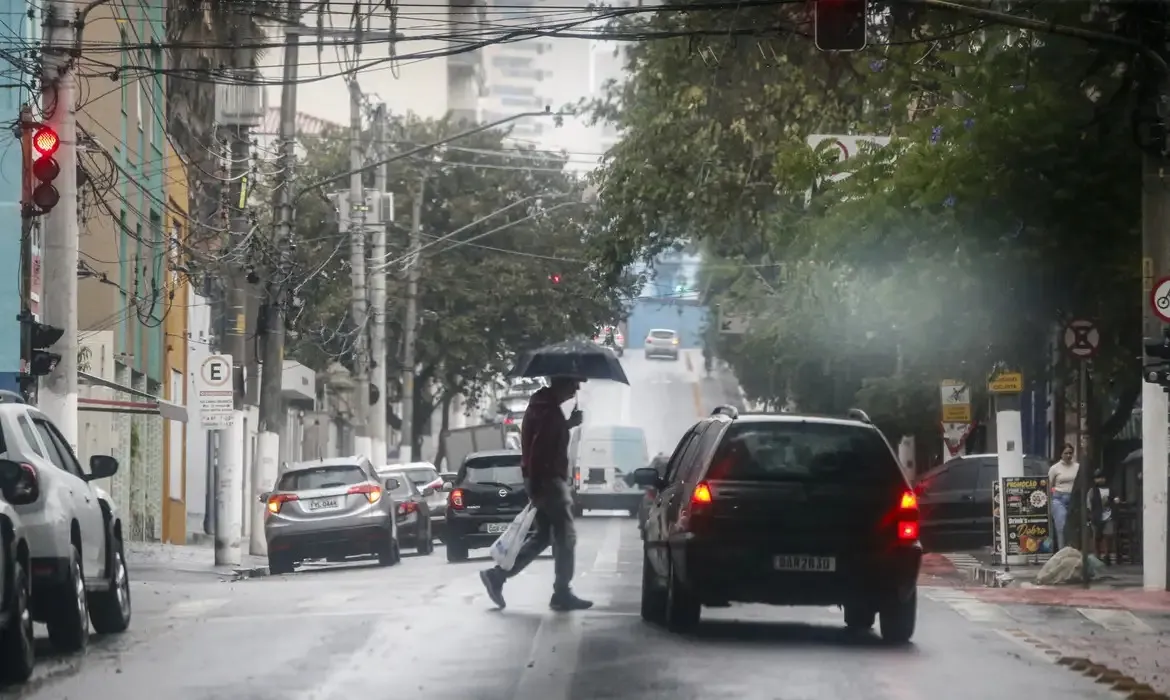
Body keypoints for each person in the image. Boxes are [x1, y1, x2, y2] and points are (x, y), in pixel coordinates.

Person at [479, 375, 592, 612]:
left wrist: (568, 424)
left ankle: (497, 576)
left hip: (540, 480)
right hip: (549, 481)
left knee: (543, 536)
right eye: (573, 383)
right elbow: (540, 451)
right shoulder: (549, 412)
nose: (577, 388)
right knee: (565, 537)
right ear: (561, 382)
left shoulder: (543, 408)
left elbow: (543, 441)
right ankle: (562, 592)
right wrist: (540, 486)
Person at [1048, 443, 1079, 550]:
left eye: (1070, 453)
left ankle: (1072, 550)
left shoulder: (1077, 467)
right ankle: (1062, 551)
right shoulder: (1054, 468)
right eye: (1066, 453)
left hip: (1073, 499)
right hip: (1058, 499)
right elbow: (1049, 485)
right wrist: (1053, 495)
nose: (1068, 455)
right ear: (1061, 454)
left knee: (1073, 527)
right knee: (1061, 526)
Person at [1087, 469, 1117, 565]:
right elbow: (1088, 503)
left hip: (1109, 515)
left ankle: (1107, 555)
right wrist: (1090, 515)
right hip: (1096, 516)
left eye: (1102, 478)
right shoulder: (1092, 491)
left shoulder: (1111, 489)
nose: (1100, 480)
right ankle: (1097, 555)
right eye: (1098, 478)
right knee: (1097, 536)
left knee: (1108, 535)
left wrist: (1115, 501)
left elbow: (1116, 499)